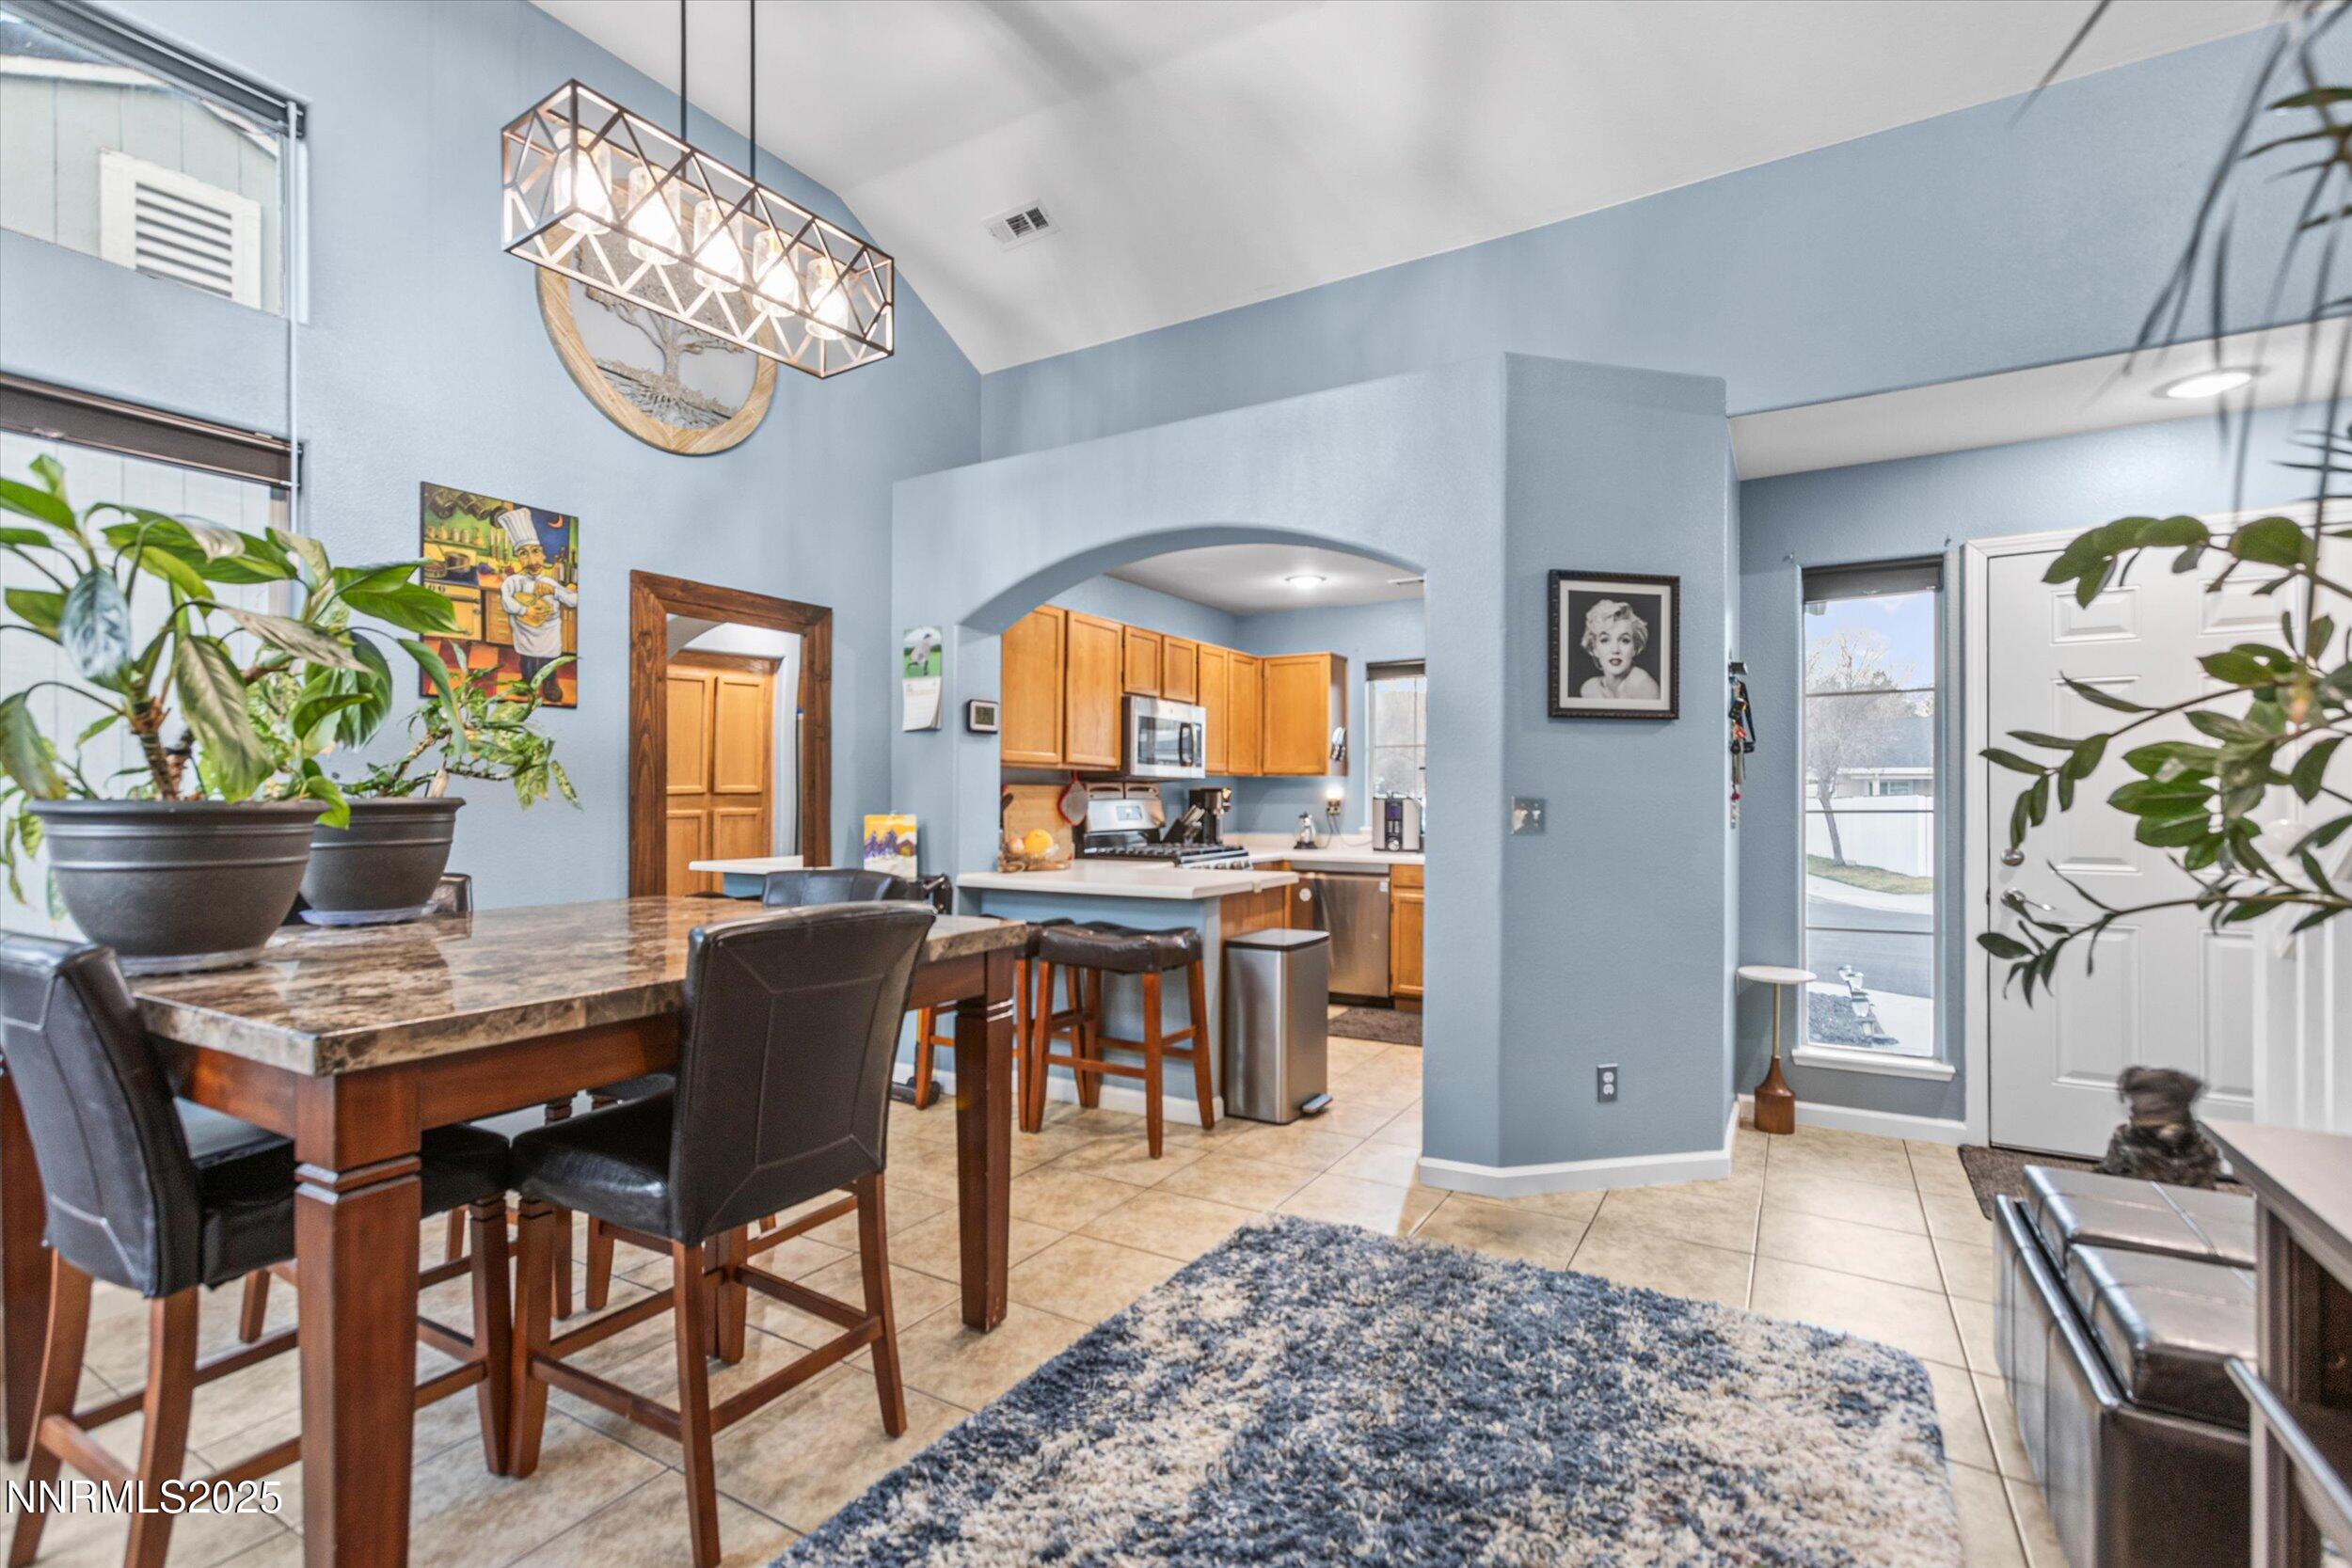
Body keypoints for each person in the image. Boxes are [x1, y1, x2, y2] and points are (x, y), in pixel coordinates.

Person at [499, 537, 577, 700]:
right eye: (523, 553)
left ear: (543, 556)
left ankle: (550, 683)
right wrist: (524, 610)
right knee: (526, 658)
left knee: (548, 659)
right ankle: (527, 681)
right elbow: (506, 601)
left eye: (535, 552)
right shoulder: (513, 581)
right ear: (518, 558)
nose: (532, 560)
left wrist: (554, 591)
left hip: (549, 630)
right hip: (525, 629)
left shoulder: (550, 582)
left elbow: (573, 600)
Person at [1580, 599, 1660, 700]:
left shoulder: (1643, 686)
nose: (1615, 650)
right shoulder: (1589, 690)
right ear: (1594, 649)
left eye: (1625, 640)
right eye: (1605, 640)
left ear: (1634, 648)